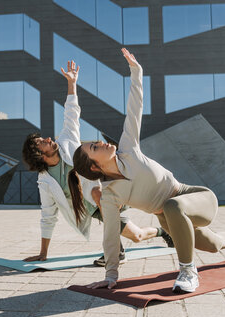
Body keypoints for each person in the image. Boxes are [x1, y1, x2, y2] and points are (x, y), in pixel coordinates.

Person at [68, 48, 225, 292]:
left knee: (172, 206)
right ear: (94, 165)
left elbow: (135, 108)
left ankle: (188, 271)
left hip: (195, 196)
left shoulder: (128, 149)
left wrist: (136, 72)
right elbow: (111, 236)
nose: (101, 142)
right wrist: (111, 276)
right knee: (214, 244)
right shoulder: (111, 195)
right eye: (94, 146)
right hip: (169, 218)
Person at [22, 60, 174, 266]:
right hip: (93, 208)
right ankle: (162, 231)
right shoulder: (45, 181)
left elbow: (71, 113)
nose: (48, 139)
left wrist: (72, 83)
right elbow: (48, 216)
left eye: (44, 138)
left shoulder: (66, 140)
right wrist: (43, 253)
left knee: (99, 196)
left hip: (107, 192)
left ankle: (115, 252)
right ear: (39, 156)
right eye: (42, 143)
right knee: (137, 236)